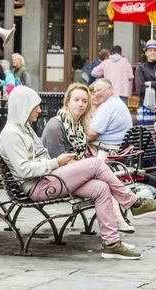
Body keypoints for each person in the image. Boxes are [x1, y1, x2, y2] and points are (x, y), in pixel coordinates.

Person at [0, 86, 156, 260]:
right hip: (38, 187)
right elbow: (23, 169)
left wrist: (64, 165)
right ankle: (134, 203)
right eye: (35, 106)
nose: (39, 110)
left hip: (49, 179)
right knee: (95, 163)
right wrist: (57, 162)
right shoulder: (12, 134)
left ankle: (111, 245)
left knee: (101, 188)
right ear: (23, 106)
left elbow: (41, 156)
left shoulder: (25, 128)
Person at [40, 82, 136, 233]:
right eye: (76, 100)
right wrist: (84, 166)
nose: (81, 104)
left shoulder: (79, 126)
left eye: (84, 101)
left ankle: (111, 238)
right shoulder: (55, 125)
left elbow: (78, 158)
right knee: (98, 166)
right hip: (54, 181)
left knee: (103, 186)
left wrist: (82, 165)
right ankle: (132, 205)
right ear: (67, 102)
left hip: (71, 176)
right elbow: (57, 163)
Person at [88, 78, 133, 159]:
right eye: (95, 91)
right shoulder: (116, 102)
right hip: (118, 147)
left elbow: (92, 134)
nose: (96, 94)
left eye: (99, 90)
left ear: (110, 89)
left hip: (107, 149)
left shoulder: (108, 105)